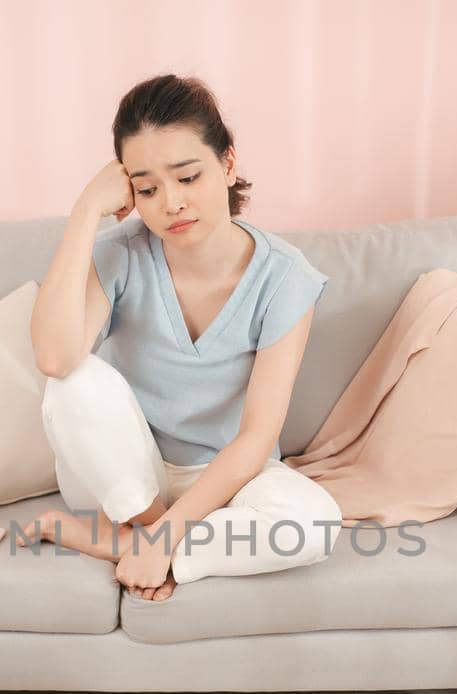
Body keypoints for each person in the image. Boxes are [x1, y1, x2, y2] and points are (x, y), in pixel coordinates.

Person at [29, 74, 342, 603]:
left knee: (316, 524)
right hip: (120, 478)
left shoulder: (285, 278)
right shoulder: (122, 252)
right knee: (72, 380)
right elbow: (55, 358)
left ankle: (129, 545)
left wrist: (168, 537)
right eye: (147, 188)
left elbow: (254, 436)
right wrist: (86, 211)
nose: (171, 203)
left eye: (188, 177)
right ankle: (145, 535)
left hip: (226, 480)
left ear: (227, 164)